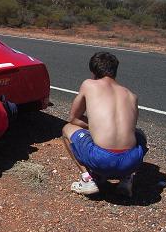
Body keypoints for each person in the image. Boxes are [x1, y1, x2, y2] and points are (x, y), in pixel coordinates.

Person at [62, 52, 147, 197]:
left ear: (93, 71)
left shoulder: (89, 84)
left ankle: (88, 179)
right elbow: (129, 127)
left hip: (102, 159)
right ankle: (126, 179)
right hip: (131, 161)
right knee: (140, 134)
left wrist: (96, 127)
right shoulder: (131, 95)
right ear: (115, 71)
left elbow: (73, 118)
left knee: (67, 129)